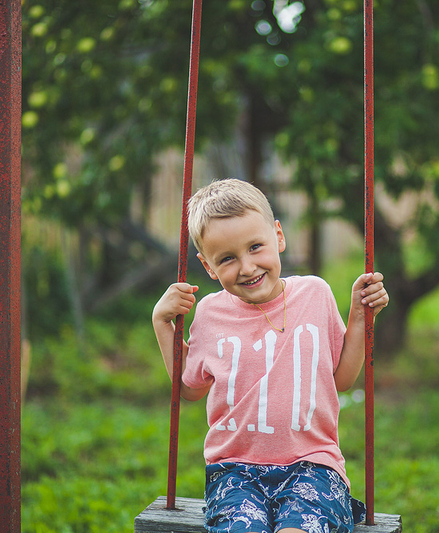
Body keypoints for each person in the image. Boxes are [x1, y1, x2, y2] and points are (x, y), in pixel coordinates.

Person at [152, 178, 389, 533]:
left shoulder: (314, 294)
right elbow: (189, 389)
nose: (247, 267)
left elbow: (341, 379)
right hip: (233, 471)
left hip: (314, 466)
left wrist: (359, 316)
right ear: (208, 266)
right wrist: (162, 323)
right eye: (227, 259)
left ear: (278, 236)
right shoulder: (210, 313)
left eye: (255, 247)